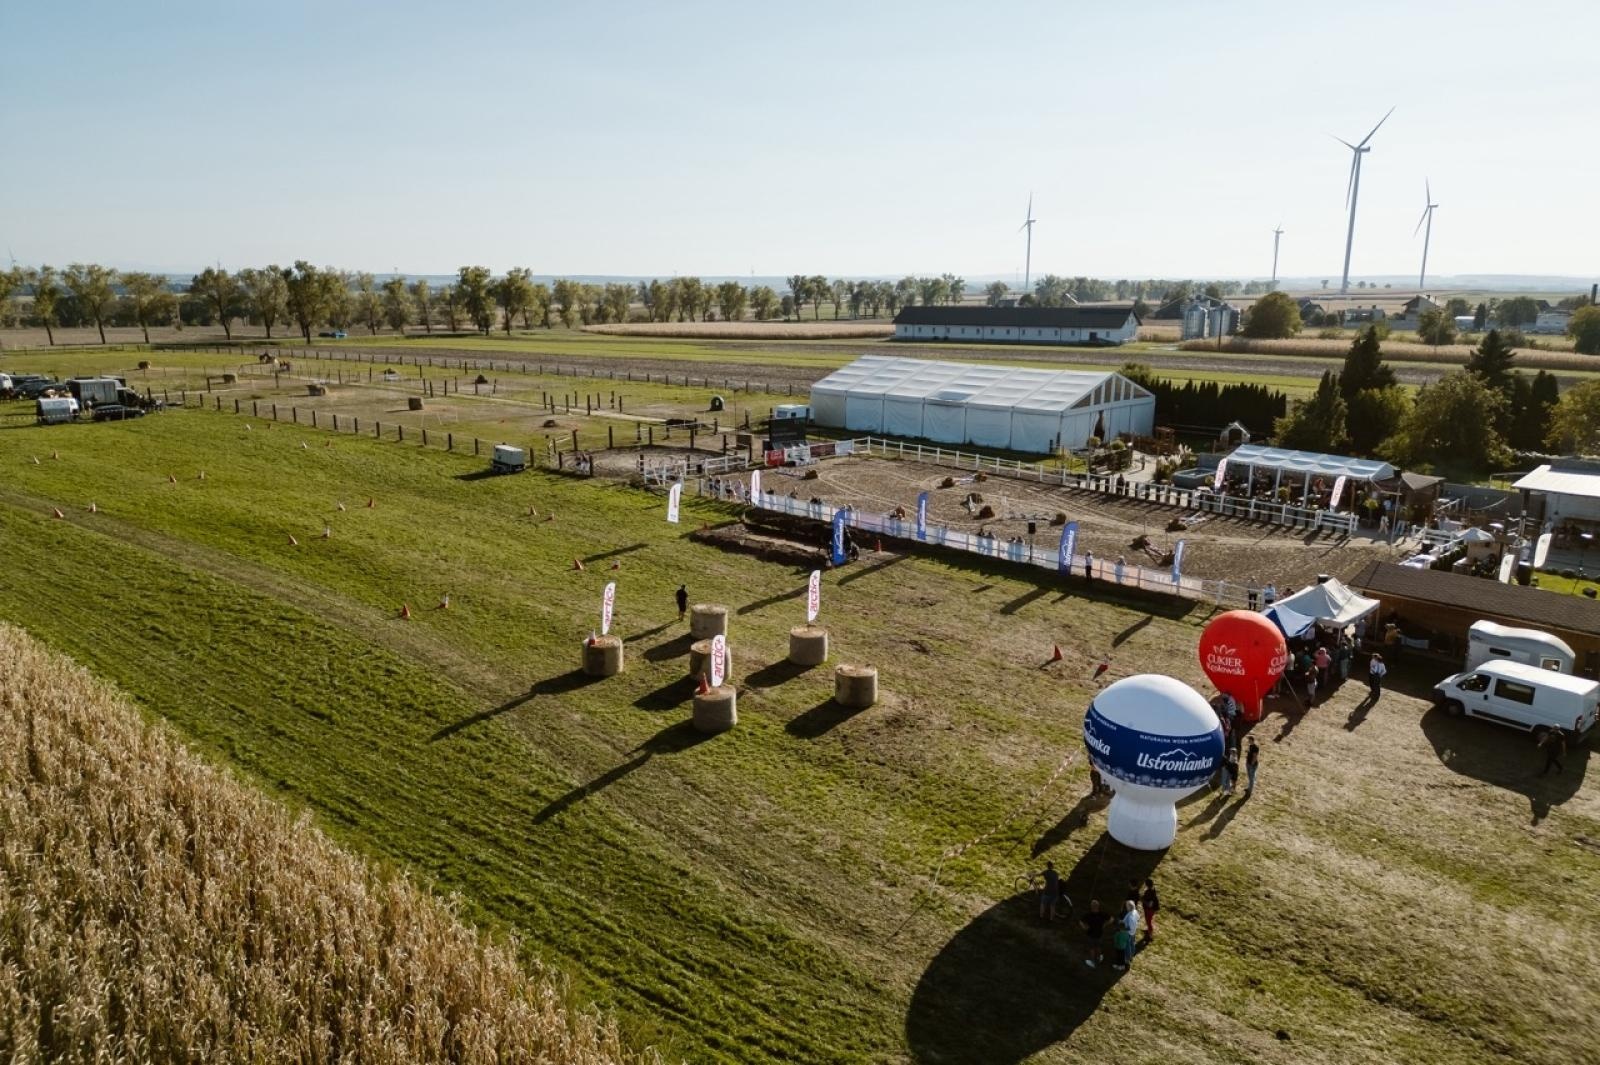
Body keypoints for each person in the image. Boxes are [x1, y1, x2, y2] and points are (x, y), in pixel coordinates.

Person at [1080, 900, 1109, 968]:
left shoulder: (1088, 915)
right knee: (1098, 947)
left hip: (1091, 935)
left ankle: (1093, 962)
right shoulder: (1102, 914)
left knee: (1092, 948)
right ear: (1098, 907)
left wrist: (1084, 927)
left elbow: (1081, 921)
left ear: (1091, 907)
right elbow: (1111, 919)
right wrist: (1105, 925)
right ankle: (1099, 958)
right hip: (1099, 934)